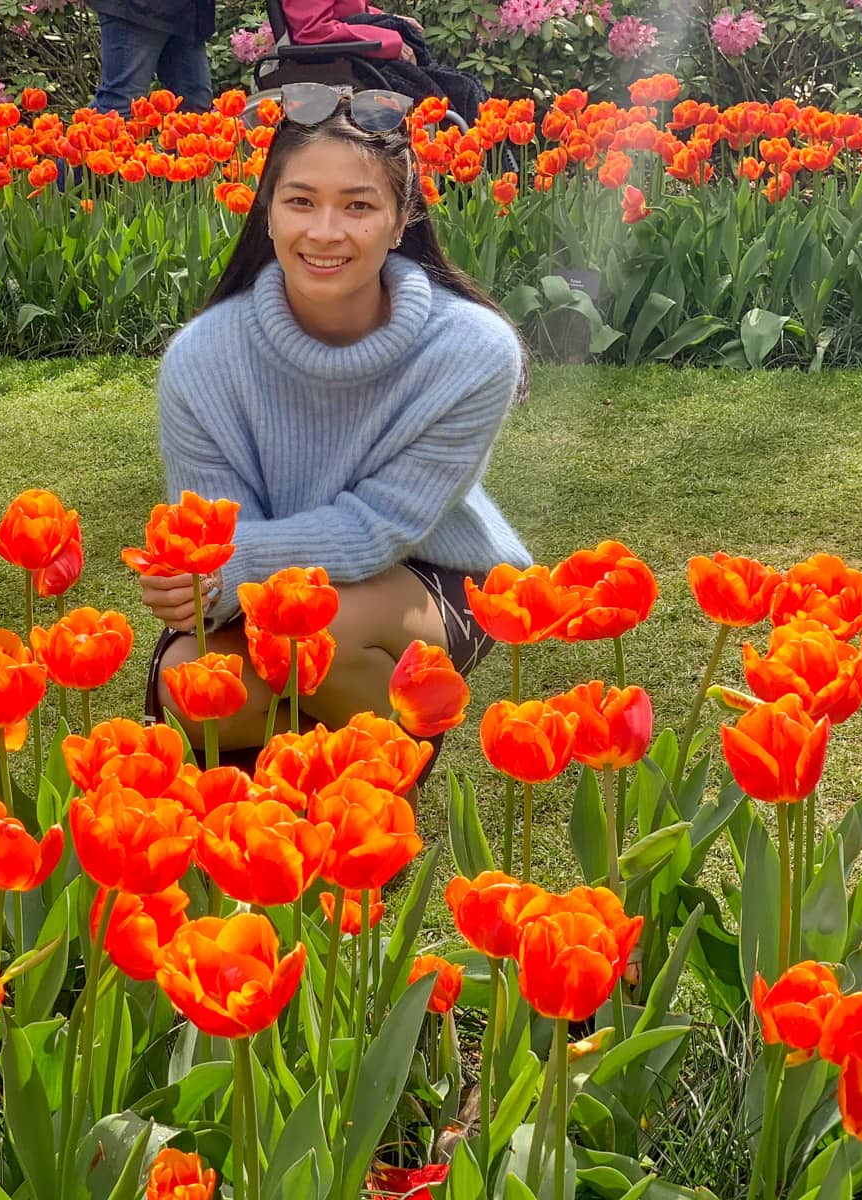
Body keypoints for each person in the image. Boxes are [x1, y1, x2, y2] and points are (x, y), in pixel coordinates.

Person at [141, 84, 531, 753]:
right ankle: (340, 748)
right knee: (191, 679)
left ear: (401, 216)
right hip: (266, 595)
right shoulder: (203, 358)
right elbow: (215, 525)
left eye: (358, 205)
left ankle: (381, 778)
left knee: (314, 639)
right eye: (300, 202)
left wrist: (228, 570)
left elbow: (382, 526)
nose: (325, 232)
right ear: (267, 211)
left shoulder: (469, 348)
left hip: (430, 569)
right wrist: (199, 582)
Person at [87, 0, 214, 116]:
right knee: (122, 105)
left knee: (196, 106)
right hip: (135, 10)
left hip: (189, 13)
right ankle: (82, 138)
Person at [280, 0, 422, 62]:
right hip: (337, 61)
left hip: (353, 55)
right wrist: (388, 42)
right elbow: (313, 30)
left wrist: (392, 19)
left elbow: (349, 12)